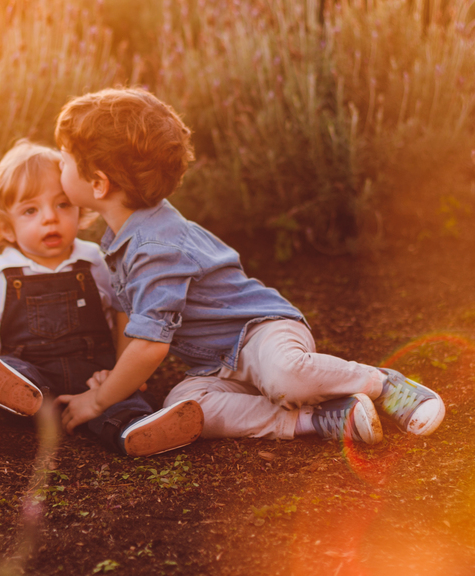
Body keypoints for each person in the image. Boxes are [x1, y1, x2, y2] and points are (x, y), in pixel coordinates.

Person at [53, 88, 446, 444]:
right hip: (216, 365)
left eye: (65, 159)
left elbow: (151, 345)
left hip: (260, 334)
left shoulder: (156, 246)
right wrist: (123, 377)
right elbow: (130, 314)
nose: (59, 166)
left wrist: (100, 400)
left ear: (100, 184)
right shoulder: (123, 236)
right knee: (186, 407)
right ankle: (319, 418)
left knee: (286, 376)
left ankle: (381, 383)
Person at [0, 139, 203, 457]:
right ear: (5, 227)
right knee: (4, 368)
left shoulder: (97, 262)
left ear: (79, 210)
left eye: (62, 204)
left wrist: (121, 372)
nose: (50, 218)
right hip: (36, 380)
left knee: (121, 403)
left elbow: (126, 311)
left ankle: (138, 430)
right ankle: (19, 397)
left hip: (94, 379)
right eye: (30, 210)